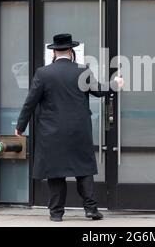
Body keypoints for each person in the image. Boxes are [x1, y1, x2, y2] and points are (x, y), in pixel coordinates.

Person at [15, 33, 124, 222]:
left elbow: (30, 103)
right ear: (71, 51)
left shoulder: (43, 73)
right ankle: (91, 209)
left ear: (54, 52)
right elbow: (99, 90)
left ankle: (56, 213)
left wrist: (20, 126)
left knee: (55, 173)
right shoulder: (83, 70)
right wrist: (115, 84)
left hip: (52, 132)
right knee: (84, 169)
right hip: (78, 131)